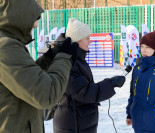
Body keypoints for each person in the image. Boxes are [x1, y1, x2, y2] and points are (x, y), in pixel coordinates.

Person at [0, 0, 78, 133]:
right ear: (20, 17)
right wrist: (64, 57)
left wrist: (49, 57)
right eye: (34, 19)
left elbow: (28, 81)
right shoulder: (5, 47)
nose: (36, 25)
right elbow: (47, 94)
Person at [53, 18, 126, 133]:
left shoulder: (77, 59)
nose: (90, 41)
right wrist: (110, 83)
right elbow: (84, 93)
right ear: (76, 41)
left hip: (79, 122)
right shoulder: (69, 62)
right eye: (87, 38)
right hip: (73, 125)